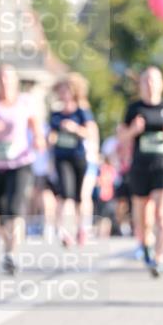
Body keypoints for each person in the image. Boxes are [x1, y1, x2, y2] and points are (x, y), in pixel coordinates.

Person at [0, 64, 45, 273]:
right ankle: (7, 247)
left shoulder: (25, 102)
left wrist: (39, 139)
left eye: (8, 78)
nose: (4, 82)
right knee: (1, 209)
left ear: (15, 81)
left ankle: (13, 252)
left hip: (21, 162)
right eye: (0, 78)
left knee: (15, 207)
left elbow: (36, 127)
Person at [118, 66, 163, 276]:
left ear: (162, 84)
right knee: (143, 216)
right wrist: (133, 130)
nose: (150, 84)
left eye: (154, 80)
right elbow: (121, 136)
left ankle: (159, 258)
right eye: (146, 80)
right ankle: (144, 244)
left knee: (162, 214)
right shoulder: (134, 108)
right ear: (141, 85)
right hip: (140, 167)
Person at [48, 74, 95, 246]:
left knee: (78, 198)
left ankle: (81, 228)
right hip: (61, 158)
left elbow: (89, 132)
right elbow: (51, 134)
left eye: (66, 89)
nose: (63, 93)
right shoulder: (55, 113)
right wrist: (50, 138)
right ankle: (63, 231)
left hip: (78, 157)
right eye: (61, 89)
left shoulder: (82, 111)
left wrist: (75, 129)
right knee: (65, 194)